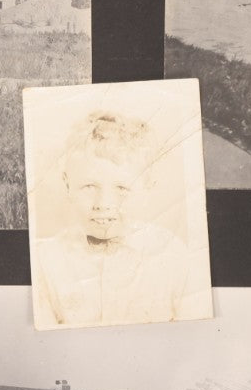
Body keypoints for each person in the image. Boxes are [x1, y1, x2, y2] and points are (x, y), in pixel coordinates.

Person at [31, 111, 208, 329]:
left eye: (122, 188)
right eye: (89, 187)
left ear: (147, 186)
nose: (103, 203)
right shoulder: (45, 261)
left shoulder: (174, 258)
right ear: (67, 185)